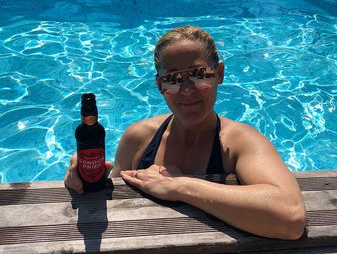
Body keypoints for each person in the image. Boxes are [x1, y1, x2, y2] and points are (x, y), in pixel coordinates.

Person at [65, 25, 306, 240]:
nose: (186, 90)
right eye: (172, 79)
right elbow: (115, 198)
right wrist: (83, 178)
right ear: (160, 86)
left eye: (199, 75)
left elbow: (291, 218)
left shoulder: (240, 142)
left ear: (219, 73)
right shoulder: (139, 138)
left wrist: (180, 187)